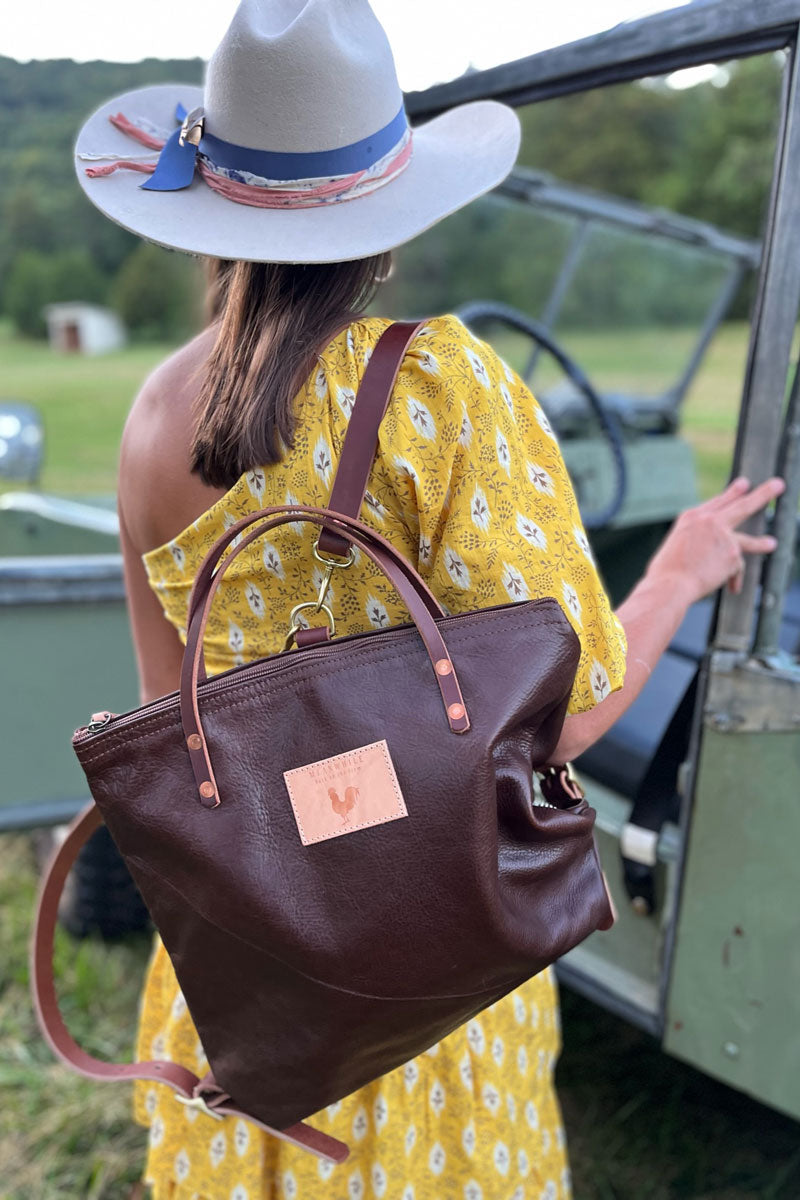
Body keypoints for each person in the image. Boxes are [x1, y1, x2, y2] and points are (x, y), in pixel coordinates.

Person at [75, 1, 784, 1196]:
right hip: (423, 978)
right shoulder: (442, 389)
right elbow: (559, 717)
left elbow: (176, 722)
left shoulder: (152, 414)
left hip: (256, 979)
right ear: (387, 220)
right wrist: (672, 574)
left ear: (208, 217)